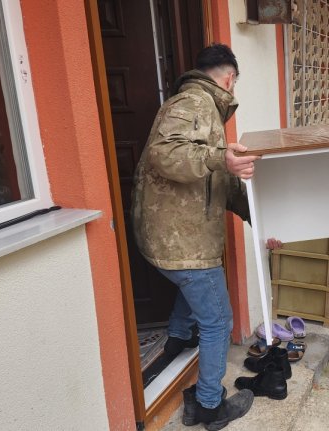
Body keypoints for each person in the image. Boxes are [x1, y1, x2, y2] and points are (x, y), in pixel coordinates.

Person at [132, 43, 271, 430]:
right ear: (230, 78)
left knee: (193, 285)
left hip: (174, 241)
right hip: (180, 241)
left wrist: (261, 219)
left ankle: (178, 339)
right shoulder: (195, 103)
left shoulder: (200, 105)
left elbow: (220, 180)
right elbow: (165, 154)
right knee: (218, 321)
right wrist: (219, 157)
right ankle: (209, 406)